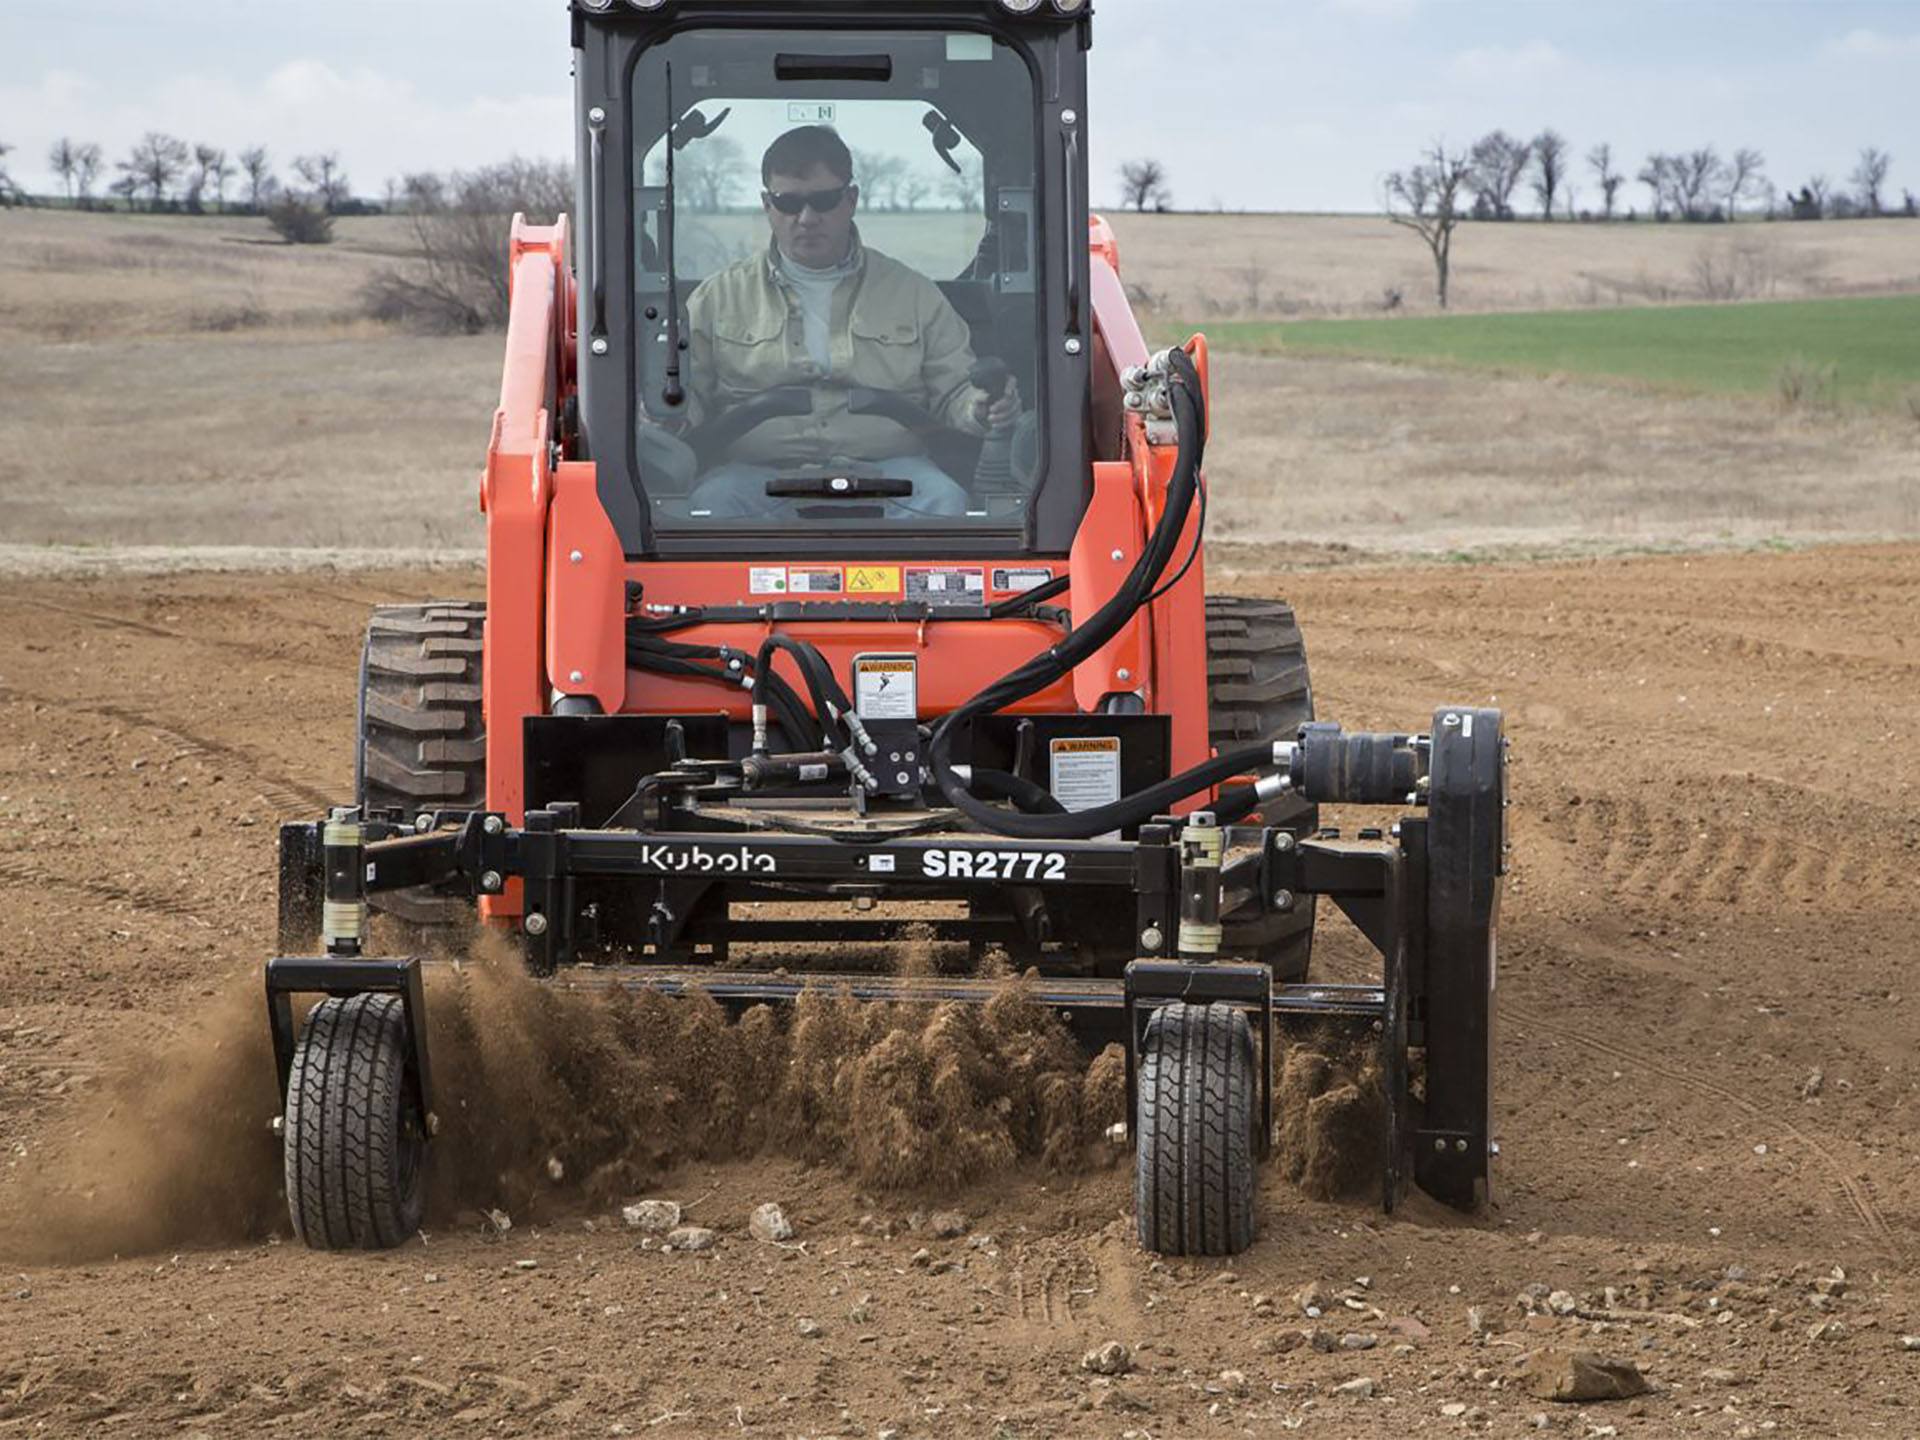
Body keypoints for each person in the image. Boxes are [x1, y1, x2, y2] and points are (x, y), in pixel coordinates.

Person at [679, 125, 1018, 519]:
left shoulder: (914, 293)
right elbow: (689, 395)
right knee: (711, 505)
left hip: (894, 475)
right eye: (788, 203)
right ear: (767, 205)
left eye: (823, 200)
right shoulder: (717, 297)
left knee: (945, 502)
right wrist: (667, 416)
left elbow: (956, 389)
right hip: (753, 479)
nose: (806, 218)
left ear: (851, 198)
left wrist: (982, 407)